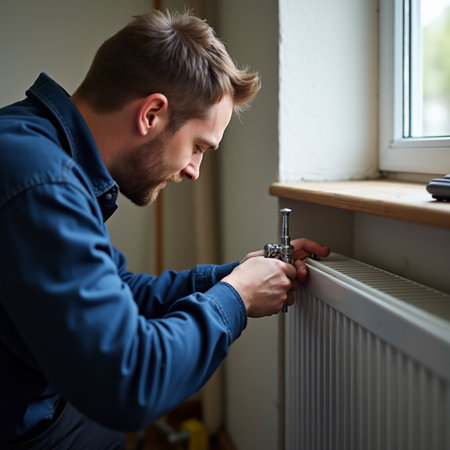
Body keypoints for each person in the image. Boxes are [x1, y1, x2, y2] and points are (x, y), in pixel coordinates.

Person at [0, 9, 330, 449]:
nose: (194, 169)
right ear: (152, 114)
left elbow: (116, 297)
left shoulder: (42, 152)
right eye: (198, 146)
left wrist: (231, 276)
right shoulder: (41, 182)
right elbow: (129, 382)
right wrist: (237, 297)